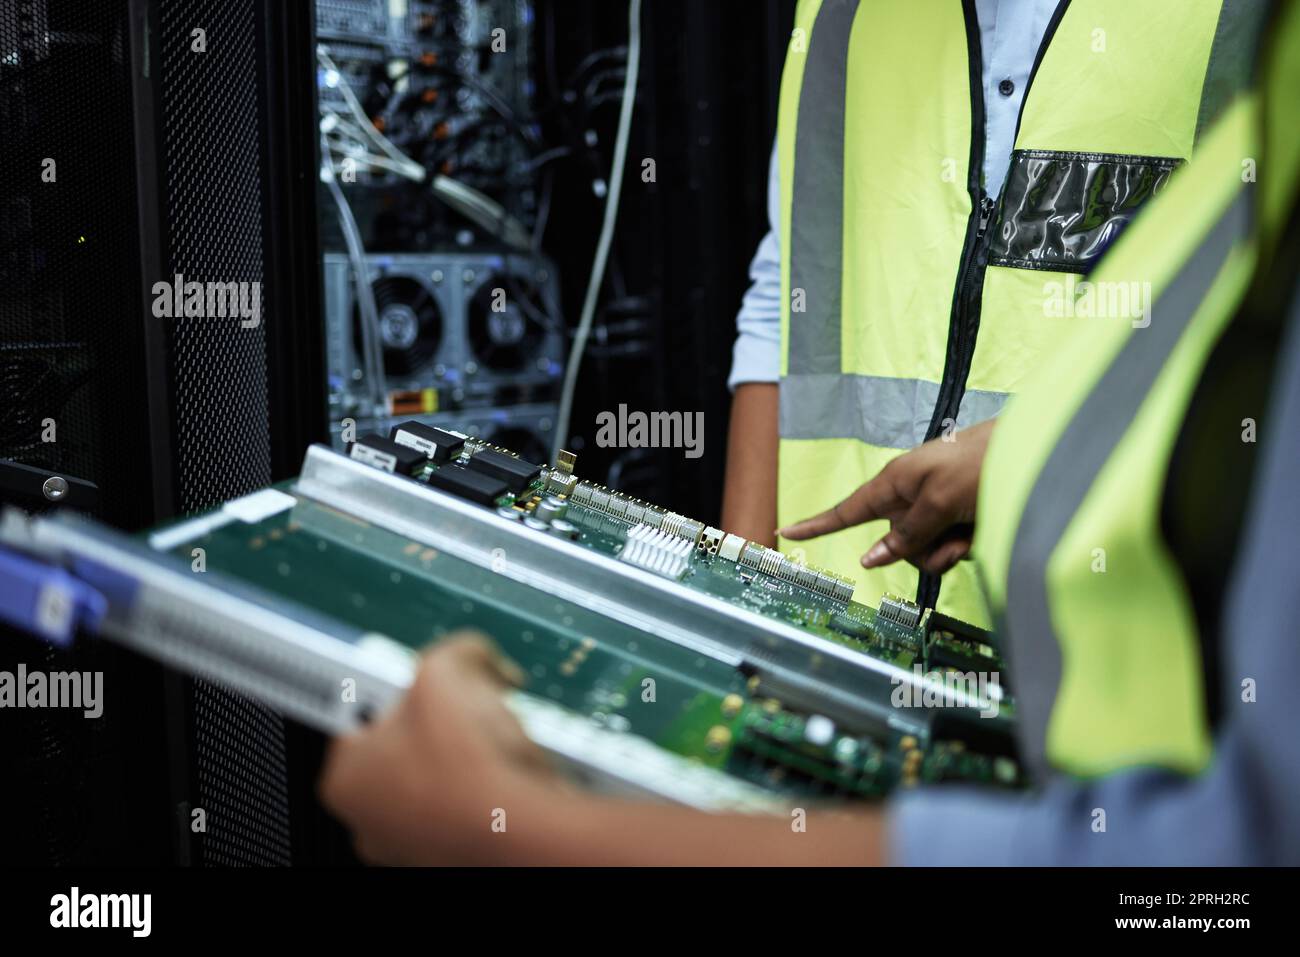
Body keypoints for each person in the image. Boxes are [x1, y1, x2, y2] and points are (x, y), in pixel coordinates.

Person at [319, 3, 1300, 864]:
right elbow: (787, 282)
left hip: (1091, 691)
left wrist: (522, 833)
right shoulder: (846, 12)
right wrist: (736, 605)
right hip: (838, 638)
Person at [723, 0, 1263, 628]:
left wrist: (1035, 455)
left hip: (1098, 655)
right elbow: (788, 287)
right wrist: (739, 599)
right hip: (824, 631)